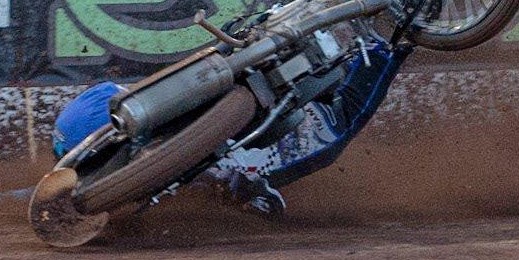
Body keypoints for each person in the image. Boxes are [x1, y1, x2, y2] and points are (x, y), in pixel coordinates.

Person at [52, 38, 410, 216]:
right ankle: (404, 27)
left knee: (387, 51)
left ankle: (403, 31)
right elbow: (260, 203)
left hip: (284, 115)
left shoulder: (117, 167)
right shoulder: (132, 160)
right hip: (268, 113)